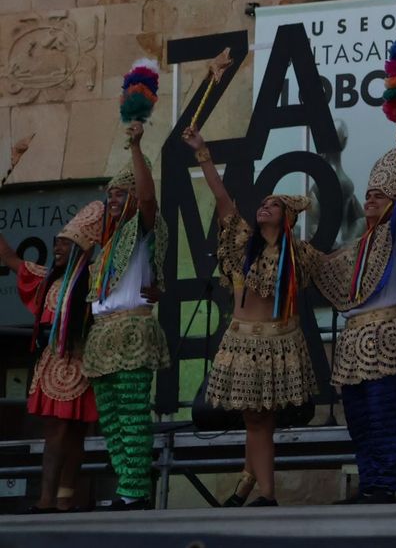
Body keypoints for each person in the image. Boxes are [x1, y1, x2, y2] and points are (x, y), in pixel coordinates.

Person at [189, 128, 318, 508]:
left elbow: (330, 267)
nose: (263, 207)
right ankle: (249, 486)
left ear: (286, 217)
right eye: (263, 204)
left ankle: (265, 494)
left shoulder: (299, 255)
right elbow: (222, 198)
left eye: (273, 205)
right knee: (254, 420)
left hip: (278, 342)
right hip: (243, 341)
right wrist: (204, 154)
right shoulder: (244, 244)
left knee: (260, 421)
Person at [297, 123, 396, 505]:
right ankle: (370, 484)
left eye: (379, 196)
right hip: (353, 339)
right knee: (359, 419)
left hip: (383, 333)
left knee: (383, 414)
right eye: (367, 195)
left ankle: (383, 484)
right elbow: (322, 266)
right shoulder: (356, 247)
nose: (369, 200)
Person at [80, 121, 169, 511]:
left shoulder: (144, 229)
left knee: (133, 416)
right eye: (111, 194)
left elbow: (149, 200)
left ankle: (134, 492)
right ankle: (127, 485)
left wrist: (136, 146)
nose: (112, 200)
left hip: (132, 328)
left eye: (121, 193)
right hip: (102, 336)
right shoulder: (107, 244)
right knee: (112, 422)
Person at [0, 205, 100, 512]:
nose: (56, 247)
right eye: (56, 242)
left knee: (76, 435)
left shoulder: (97, 279)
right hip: (53, 364)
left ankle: (65, 499)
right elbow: (9, 258)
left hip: (85, 364)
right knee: (55, 433)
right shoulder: (47, 280)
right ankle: (46, 498)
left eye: (64, 243)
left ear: (81, 249)